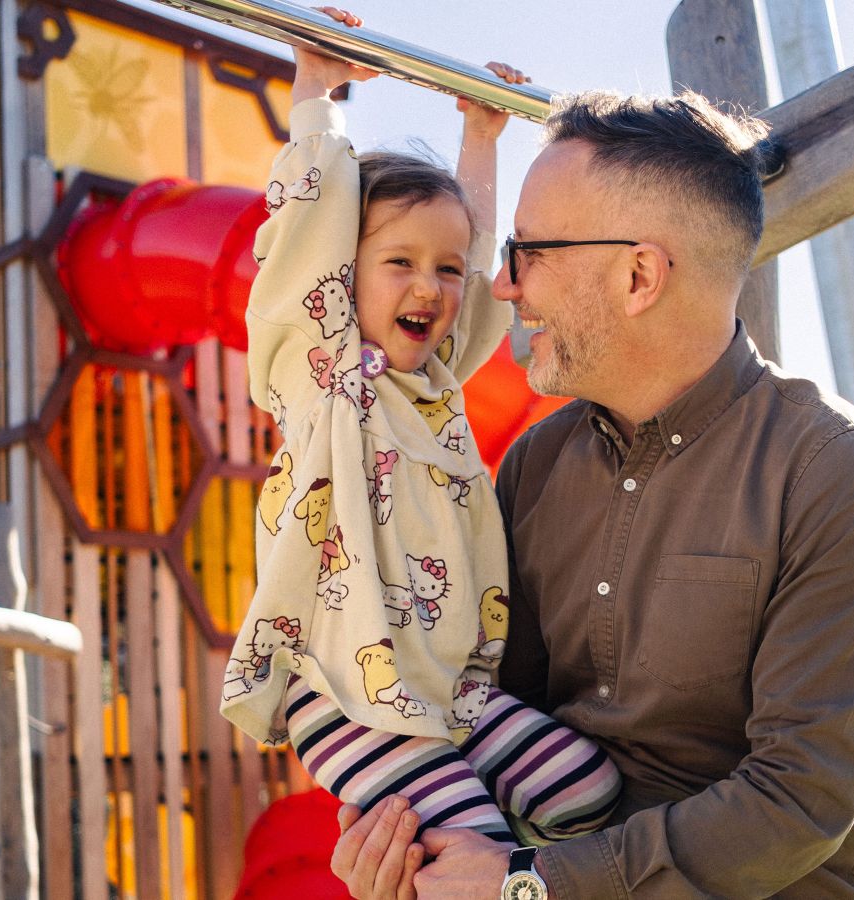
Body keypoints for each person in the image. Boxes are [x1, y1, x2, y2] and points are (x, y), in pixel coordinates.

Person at [333, 89, 854, 899]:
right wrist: (412, 846)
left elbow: (797, 801)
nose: (502, 288)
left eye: (527, 253)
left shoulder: (832, 469)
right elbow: (486, 715)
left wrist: (522, 887)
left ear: (639, 275)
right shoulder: (534, 466)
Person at [220, 7, 619, 852]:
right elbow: (307, 229)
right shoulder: (323, 369)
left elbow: (474, 267)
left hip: (451, 692)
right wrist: (316, 92)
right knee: (473, 843)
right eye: (398, 263)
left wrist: (482, 138)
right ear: (344, 274)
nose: (429, 288)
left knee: (591, 790)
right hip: (342, 693)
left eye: (438, 270)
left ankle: (499, 842)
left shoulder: (434, 384)